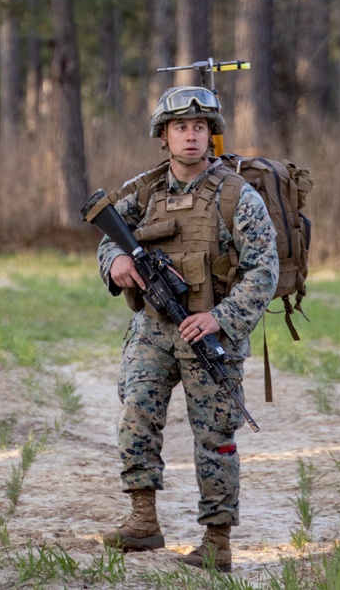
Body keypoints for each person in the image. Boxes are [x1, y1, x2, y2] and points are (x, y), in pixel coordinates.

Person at [96, 84, 278, 573]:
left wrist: (218, 318)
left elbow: (264, 270)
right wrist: (114, 262)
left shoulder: (238, 197)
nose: (191, 136)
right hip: (153, 329)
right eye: (181, 127)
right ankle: (142, 521)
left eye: (200, 127)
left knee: (216, 434)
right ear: (164, 136)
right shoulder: (145, 192)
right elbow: (109, 237)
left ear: (212, 136)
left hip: (211, 333)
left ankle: (216, 541)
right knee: (136, 413)